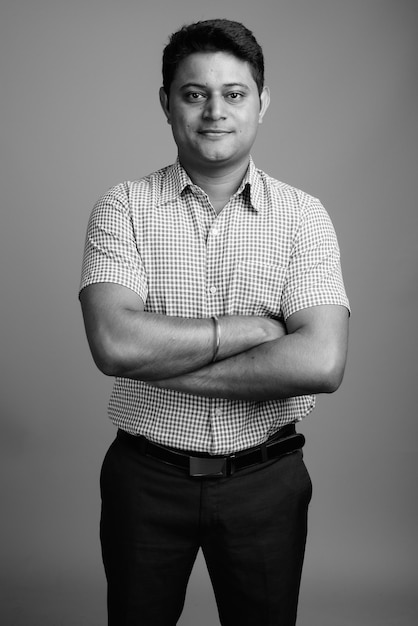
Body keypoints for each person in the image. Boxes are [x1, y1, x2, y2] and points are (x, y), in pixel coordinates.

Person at [79, 18, 350, 626]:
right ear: (167, 103)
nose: (214, 112)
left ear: (262, 102)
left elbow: (321, 363)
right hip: (145, 479)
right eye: (194, 94)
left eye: (234, 93)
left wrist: (157, 362)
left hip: (267, 481)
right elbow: (116, 343)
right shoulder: (122, 207)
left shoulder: (304, 218)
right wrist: (251, 330)